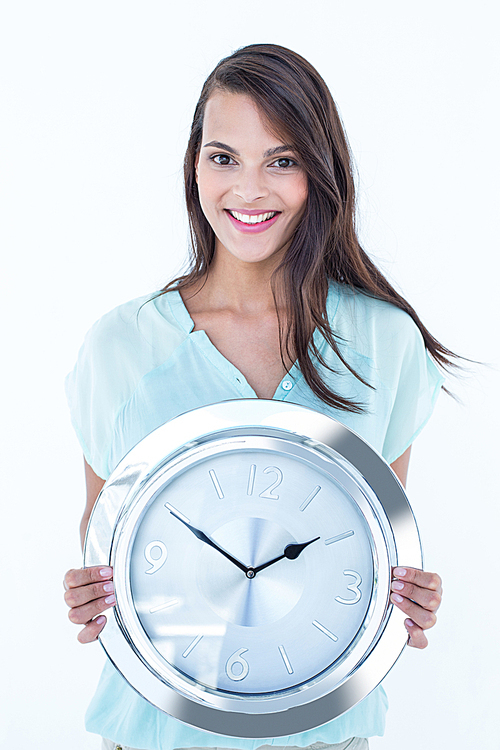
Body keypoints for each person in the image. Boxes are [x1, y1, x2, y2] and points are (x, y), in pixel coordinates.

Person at [63, 44, 446, 750]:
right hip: (157, 735)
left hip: (324, 735)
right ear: (194, 166)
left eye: (282, 159)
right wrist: (87, 596)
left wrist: (410, 598)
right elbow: (108, 551)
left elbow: (371, 552)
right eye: (223, 157)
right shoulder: (121, 347)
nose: (248, 189)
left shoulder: (385, 342)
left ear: (320, 172)